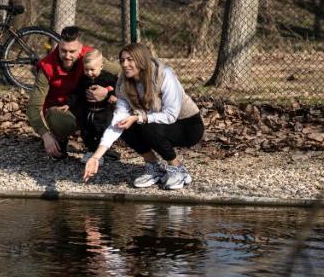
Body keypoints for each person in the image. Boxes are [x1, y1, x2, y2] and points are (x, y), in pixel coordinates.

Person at [81, 42, 204, 189]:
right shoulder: (123, 82)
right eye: (122, 60)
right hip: (155, 122)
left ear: (141, 60)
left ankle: (178, 169)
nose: (125, 64)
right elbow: (117, 121)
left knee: (149, 128)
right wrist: (96, 157)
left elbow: (171, 115)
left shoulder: (163, 74)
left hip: (187, 125)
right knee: (125, 124)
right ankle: (154, 168)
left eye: (130, 59)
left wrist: (140, 118)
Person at [26, 26, 119, 159]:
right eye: (63, 50)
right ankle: (59, 138)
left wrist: (108, 92)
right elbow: (33, 107)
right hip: (65, 111)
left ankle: (102, 144)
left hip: (91, 108)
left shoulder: (91, 57)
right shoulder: (47, 66)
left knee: (118, 103)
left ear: (81, 48)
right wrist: (46, 135)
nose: (67, 56)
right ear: (58, 46)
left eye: (72, 51)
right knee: (55, 115)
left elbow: (121, 73)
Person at [70, 49, 118, 159]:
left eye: (92, 69)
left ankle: (103, 152)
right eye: (86, 69)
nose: (89, 73)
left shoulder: (108, 77)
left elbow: (117, 87)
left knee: (104, 132)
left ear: (101, 67)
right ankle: (91, 151)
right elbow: (76, 93)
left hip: (104, 112)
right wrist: (68, 104)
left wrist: (113, 94)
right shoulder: (83, 80)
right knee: (87, 133)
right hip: (88, 112)